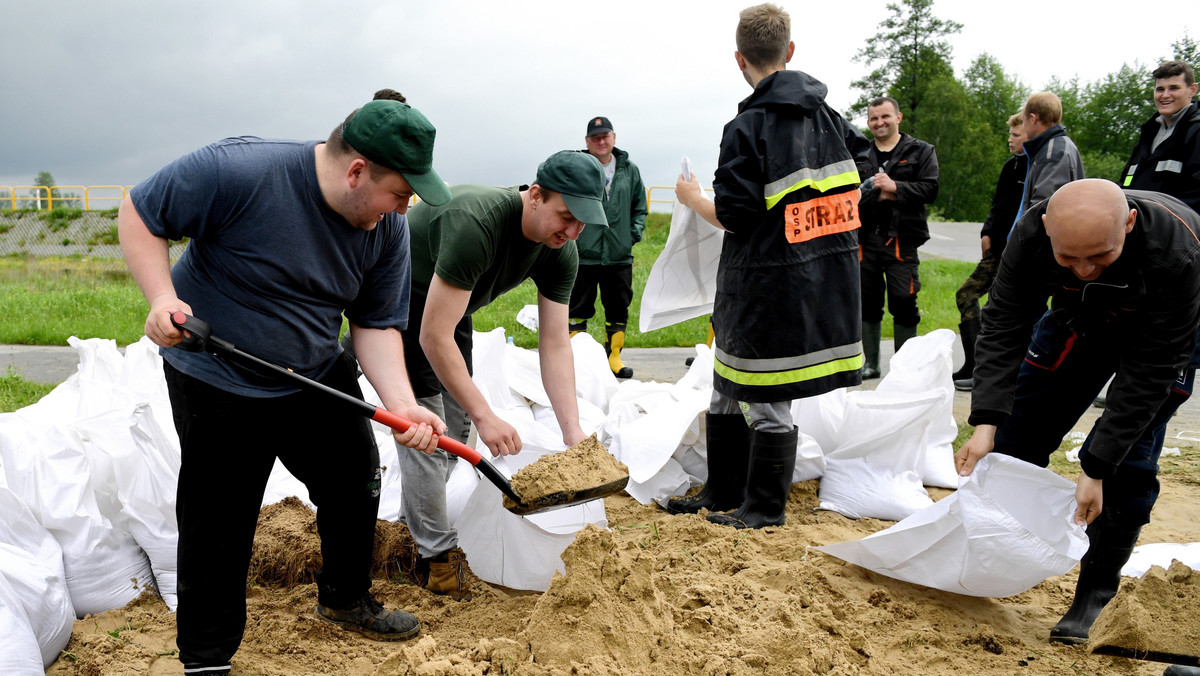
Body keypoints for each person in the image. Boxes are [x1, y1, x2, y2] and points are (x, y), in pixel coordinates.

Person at [118, 100, 452, 674]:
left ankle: (344, 600)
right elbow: (140, 213)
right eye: (399, 192)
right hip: (217, 374)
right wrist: (161, 298)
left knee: (354, 481)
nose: (405, 207)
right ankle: (205, 658)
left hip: (315, 375)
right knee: (218, 521)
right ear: (356, 172)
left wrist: (403, 406)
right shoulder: (239, 172)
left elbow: (374, 327)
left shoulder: (387, 230)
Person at [954, 180, 1200, 646]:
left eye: (1100, 257)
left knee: (1128, 464)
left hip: (1163, 337)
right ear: (1047, 229)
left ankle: (1096, 594)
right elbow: (1005, 323)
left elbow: (1149, 373)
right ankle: (989, 557)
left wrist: (1095, 466)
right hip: (1078, 321)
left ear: (1128, 223)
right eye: (1068, 259)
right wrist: (986, 420)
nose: (1085, 270)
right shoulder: (1029, 235)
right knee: (1013, 435)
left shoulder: (1178, 251)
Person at [666, 2, 870, 529]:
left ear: (740, 59)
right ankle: (722, 487)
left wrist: (691, 197)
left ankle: (763, 509)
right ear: (791, 51)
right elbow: (864, 176)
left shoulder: (747, 126)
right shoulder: (830, 118)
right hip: (819, 278)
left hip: (763, 284)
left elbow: (732, 215)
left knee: (766, 392)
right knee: (725, 383)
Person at [387, 150, 608, 598]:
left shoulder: (560, 250)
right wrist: (488, 414)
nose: (572, 232)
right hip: (403, 299)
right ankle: (436, 558)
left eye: (583, 223)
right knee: (427, 429)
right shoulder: (480, 222)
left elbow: (555, 342)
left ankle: (427, 510)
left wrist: (573, 432)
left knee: (459, 424)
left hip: (453, 305)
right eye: (565, 217)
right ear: (536, 196)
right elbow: (433, 335)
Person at [857, 96, 940, 379]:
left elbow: (930, 190)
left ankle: (904, 368)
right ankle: (871, 364)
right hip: (864, 240)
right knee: (867, 302)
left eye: (885, 117)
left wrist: (895, 187)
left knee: (904, 301)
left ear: (898, 117)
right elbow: (850, 197)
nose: (879, 123)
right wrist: (879, 193)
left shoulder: (921, 151)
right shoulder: (858, 154)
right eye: (873, 118)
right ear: (868, 122)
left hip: (902, 241)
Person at [952, 113, 1028, 390]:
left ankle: (993, 371)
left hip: (1018, 252)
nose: (1010, 139)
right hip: (996, 250)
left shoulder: (1036, 167)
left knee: (1004, 311)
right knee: (966, 294)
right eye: (1009, 134)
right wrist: (986, 232)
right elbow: (998, 205)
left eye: (1015, 135)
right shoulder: (1011, 166)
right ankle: (973, 363)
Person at [568, 116, 648, 379]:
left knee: (618, 307)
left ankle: (613, 356)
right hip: (584, 255)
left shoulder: (630, 170)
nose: (601, 141)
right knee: (577, 309)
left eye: (605, 136)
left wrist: (631, 235)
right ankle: (577, 360)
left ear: (613, 138)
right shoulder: (578, 167)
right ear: (587, 142)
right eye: (595, 137)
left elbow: (639, 208)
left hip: (618, 255)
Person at [1120, 60, 1200, 213]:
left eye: (1174, 88)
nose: (1165, 95)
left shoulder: (1195, 131)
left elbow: (1195, 195)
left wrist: (1157, 215)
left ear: (1192, 90)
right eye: (1160, 89)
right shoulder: (1149, 132)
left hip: (1178, 230)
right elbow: (1127, 181)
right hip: (1140, 226)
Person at [1015, 91, 1084, 221]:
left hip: (1048, 239)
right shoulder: (1062, 145)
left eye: (1024, 119)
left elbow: (1042, 209)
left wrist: (1023, 238)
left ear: (1033, 118)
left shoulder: (1051, 153)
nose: (1023, 126)